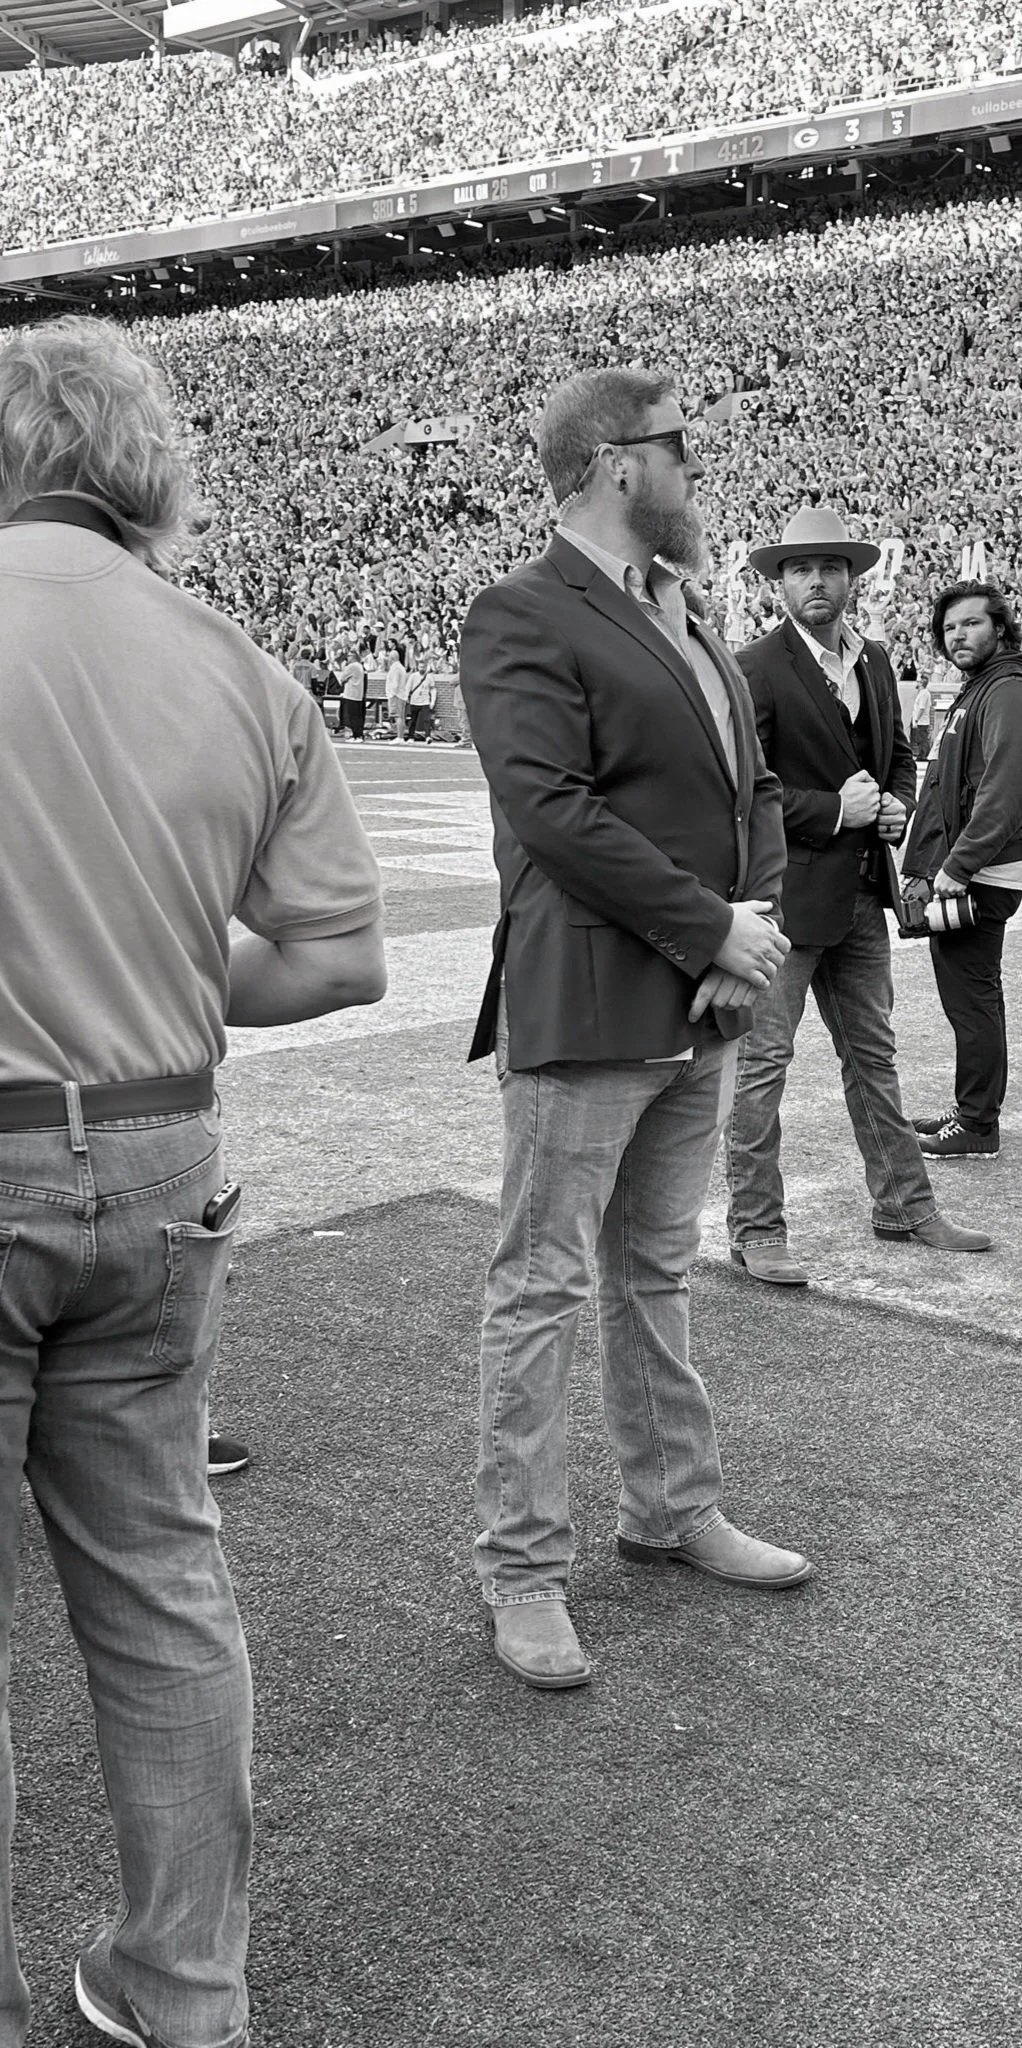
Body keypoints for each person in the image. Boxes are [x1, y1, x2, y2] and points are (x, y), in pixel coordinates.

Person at [0, 317, 386, 2048]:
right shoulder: (238, 658)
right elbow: (340, 957)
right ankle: (186, 1988)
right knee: (162, 1583)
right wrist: (150, 965)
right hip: (163, 1148)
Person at [460, 367, 813, 1696]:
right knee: (542, 1289)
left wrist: (743, 936)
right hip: (592, 1000)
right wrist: (709, 930)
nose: (695, 468)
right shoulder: (520, 610)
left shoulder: (685, 612)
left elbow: (755, 790)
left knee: (653, 1272)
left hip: (694, 998)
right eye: (681, 447)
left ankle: (669, 1504)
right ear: (616, 460)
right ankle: (521, 1568)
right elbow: (552, 810)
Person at [724, 509, 990, 1287]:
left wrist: (896, 804)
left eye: (830, 567)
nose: (816, 581)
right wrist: (835, 810)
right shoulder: (755, 667)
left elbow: (899, 758)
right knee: (762, 1069)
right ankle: (755, 1227)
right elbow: (741, 789)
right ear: (779, 583)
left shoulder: (872, 658)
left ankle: (905, 1204)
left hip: (860, 898)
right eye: (800, 569)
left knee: (873, 1057)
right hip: (783, 902)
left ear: (852, 579)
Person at [901, 580, 1022, 1159]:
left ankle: (978, 1123)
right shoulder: (986, 684)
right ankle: (970, 1108)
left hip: (982, 872)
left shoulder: (1008, 689)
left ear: (1000, 627)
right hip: (975, 867)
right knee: (969, 996)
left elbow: (1003, 792)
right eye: (949, 628)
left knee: (972, 1000)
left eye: (971, 623)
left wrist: (959, 865)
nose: (957, 636)